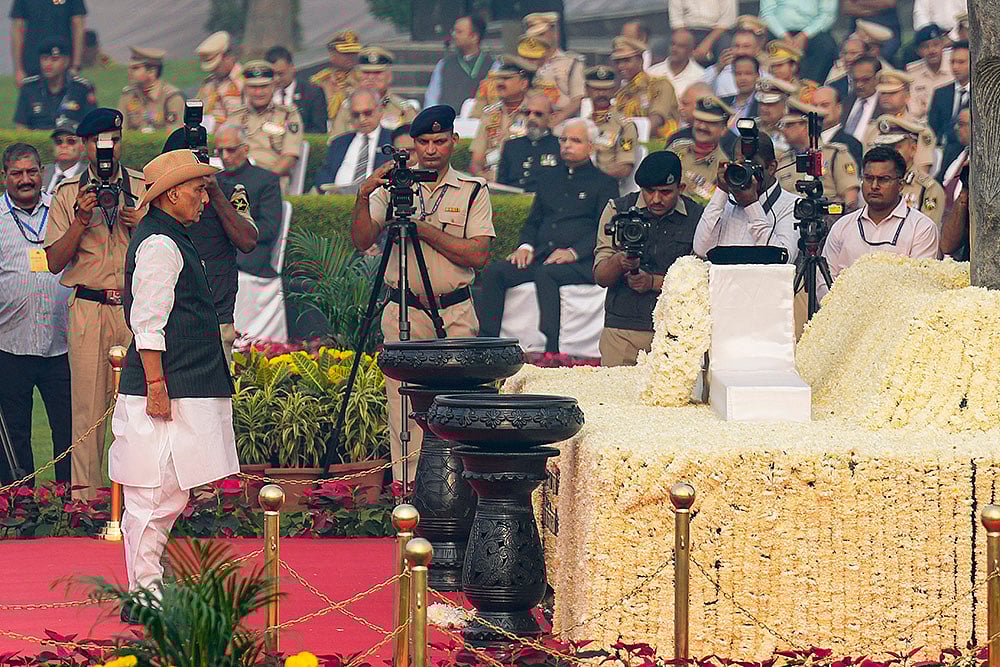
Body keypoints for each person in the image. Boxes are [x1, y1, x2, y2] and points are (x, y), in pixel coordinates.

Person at [110, 149, 237, 624]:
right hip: (167, 387)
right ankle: (143, 597)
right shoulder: (160, 243)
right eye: (200, 188)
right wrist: (158, 385)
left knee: (165, 494)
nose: (205, 197)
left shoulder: (169, 237)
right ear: (173, 193)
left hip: (180, 383)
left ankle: (146, 590)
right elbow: (148, 321)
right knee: (153, 494)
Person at [351, 105, 494, 484]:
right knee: (403, 410)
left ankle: (458, 492)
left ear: (453, 142)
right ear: (413, 144)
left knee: (458, 405)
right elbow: (362, 238)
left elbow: (478, 254)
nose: (431, 150)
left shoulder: (471, 190)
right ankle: (408, 493)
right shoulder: (395, 185)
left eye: (439, 141)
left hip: (455, 311)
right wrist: (364, 195)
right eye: (424, 142)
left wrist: (422, 229)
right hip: (404, 311)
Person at [43, 108, 147, 501]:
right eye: (100, 142)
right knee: (86, 410)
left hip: (134, 309)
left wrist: (142, 225)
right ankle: (84, 502)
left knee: (138, 409)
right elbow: (54, 262)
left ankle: (137, 500)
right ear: (86, 145)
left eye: (115, 141)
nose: (108, 149)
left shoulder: (140, 186)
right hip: (88, 306)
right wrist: (81, 219)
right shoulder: (69, 193)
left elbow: (163, 251)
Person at [477, 118, 619, 352]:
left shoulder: (604, 183)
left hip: (582, 262)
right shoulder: (548, 178)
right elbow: (534, 221)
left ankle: (551, 348)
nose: (566, 145)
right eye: (563, 139)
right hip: (544, 255)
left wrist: (573, 253)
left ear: (591, 147)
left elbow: (604, 228)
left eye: (575, 140)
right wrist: (525, 247)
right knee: (496, 272)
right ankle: (486, 344)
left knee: (547, 273)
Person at [0, 143, 72, 486]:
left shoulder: (61, 209)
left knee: (69, 430)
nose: (25, 179)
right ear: (5, 177)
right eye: (17, 173)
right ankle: (21, 507)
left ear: (42, 172)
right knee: (15, 432)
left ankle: (74, 505)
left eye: (31, 172)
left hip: (62, 343)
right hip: (10, 343)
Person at [593, 151, 704, 366]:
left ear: (680, 189)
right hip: (622, 330)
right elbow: (601, 276)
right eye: (649, 191)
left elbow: (701, 281)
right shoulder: (617, 210)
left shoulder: (697, 217)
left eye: (665, 192)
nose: (656, 199)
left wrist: (653, 282)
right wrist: (619, 261)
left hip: (675, 331)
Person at [162, 125, 259, 364]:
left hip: (216, 317)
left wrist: (214, 192)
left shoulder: (230, 191)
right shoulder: (160, 197)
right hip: (169, 319)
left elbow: (247, 241)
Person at [821, 145, 939, 288]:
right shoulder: (842, 226)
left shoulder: (921, 228)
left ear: (901, 185)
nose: (874, 186)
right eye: (869, 178)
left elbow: (920, 285)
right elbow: (824, 283)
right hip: (841, 308)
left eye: (883, 179)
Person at [693, 129, 799, 262]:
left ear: (771, 167)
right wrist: (721, 190)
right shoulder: (726, 201)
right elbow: (701, 249)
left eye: (751, 164)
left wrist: (752, 206)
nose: (744, 170)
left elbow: (783, 260)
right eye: (739, 163)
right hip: (723, 281)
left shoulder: (792, 205)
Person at [229, 61, 304, 193]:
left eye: (264, 86)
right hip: (237, 179)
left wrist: (262, 179)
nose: (258, 92)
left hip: (272, 179)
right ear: (245, 88)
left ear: (273, 86)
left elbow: (290, 157)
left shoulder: (288, 115)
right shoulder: (235, 116)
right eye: (253, 87)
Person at [776, 99, 860, 209]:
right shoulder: (783, 161)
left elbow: (850, 196)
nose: (783, 130)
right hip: (792, 217)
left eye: (789, 125)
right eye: (783, 125)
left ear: (806, 126)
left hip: (828, 218)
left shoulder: (834, 154)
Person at [869, 116, 947, 228]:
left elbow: (926, 233)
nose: (888, 154)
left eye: (896, 148)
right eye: (884, 148)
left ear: (913, 149)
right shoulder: (872, 184)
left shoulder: (928, 189)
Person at [469, 56, 535, 180]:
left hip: (523, 178)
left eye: (506, 79)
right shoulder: (490, 114)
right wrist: (481, 177)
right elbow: (476, 161)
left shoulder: (534, 113)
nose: (499, 83)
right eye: (498, 79)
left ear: (523, 83)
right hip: (491, 178)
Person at [314, 89, 393, 191]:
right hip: (337, 200)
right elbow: (324, 175)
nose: (362, 119)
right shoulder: (339, 142)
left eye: (367, 113)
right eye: (356, 115)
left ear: (380, 111)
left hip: (377, 199)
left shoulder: (392, 140)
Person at [330, 47, 417, 137]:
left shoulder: (403, 108)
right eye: (366, 72)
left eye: (377, 72)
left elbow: (413, 143)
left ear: (389, 76)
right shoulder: (348, 107)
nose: (371, 77)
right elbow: (336, 143)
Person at [14, 36, 96, 130]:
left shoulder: (82, 88)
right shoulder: (29, 88)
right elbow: (21, 127)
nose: (48, 64)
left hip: (70, 141)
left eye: (54, 59)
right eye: (44, 59)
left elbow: (92, 124)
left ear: (66, 62)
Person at [862, 70, 936, 173]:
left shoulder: (919, 130)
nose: (886, 97)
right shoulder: (872, 128)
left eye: (892, 93)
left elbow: (921, 171)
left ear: (907, 96)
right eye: (883, 93)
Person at [611, 36, 680, 138]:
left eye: (626, 61)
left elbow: (656, 120)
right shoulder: (622, 94)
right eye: (617, 62)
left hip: (660, 145)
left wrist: (629, 133)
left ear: (640, 60)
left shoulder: (659, 85)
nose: (621, 66)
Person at [668, 96, 733, 201]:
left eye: (710, 123)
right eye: (699, 121)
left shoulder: (722, 167)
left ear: (724, 130)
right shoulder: (677, 147)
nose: (702, 127)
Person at [758, 0, 838, 84]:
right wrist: (783, 35)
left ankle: (809, 88)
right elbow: (766, 13)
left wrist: (805, 34)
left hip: (812, 31)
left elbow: (828, 15)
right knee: (761, 42)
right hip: (777, 31)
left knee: (826, 46)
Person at [518, 26, 584, 126]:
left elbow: (577, 99)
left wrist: (554, 122)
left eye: (541, 34)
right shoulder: (525, 67)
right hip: (529, 119)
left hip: (560, 121)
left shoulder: (571, 63)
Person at [585, 65, 640, 186]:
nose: (601, 94)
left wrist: (591, 177)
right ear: (587, 90)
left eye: (606, 89)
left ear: (614, 90)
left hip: (606, 186)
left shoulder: (624, 126)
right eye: (596, 89)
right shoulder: (581, 125)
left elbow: (624, 168)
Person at [425, 15, 493, 111]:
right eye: (454, 31)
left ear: (474, 37)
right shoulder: (444, 64)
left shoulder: (493, 65)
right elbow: (431, 98)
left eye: (459, 32)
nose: (454, 35)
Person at [10, 0, 86, 86]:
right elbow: (17, 29)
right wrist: (76, 65)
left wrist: (18, 69)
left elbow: (78, 25)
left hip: (57, 60)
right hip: (41, 61)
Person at [496, 92, 562, 191]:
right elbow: (500, 186)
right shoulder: (511, 146)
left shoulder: (560, 146)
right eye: (527, 113)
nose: (531, 118)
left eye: (538, 114)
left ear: (551, 117)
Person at [118, 47, 185, 132]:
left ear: (152, 71)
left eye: (135, 68)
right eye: (129, 68)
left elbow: (174, 133)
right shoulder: (128, 95)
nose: (129, 72)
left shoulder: (171, 97)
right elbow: (121, 130)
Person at [266, 46, 329, 135]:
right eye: (272, 74)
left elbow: (319, 129)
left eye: (280, 74)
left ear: (292, 67)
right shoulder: (262, 94)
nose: (276, 79)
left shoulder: (312, 93)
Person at [701, 23, 765, 99]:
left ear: (757, 50)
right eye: (736, 46)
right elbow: (696, 87)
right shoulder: (718, 71)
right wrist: (718, 68)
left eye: (746, 46)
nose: (740, 51)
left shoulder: (766, 78)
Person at [311, 30, 361, 125]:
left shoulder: (363, 80)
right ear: (332, 55)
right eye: (345, 53)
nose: (350, 57)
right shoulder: (320, 80)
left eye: (353, 53)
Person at [906, 25, 954, 122]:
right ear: (918, 51)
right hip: (924, 126)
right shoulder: (912, 73)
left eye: (936, 44)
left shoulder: (954, 64)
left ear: (943, 45)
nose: (932, 50)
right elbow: (914, 112)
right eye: (925, 47)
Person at [667, 0, 738, 65]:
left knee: (726, 47)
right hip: (687, 31)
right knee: (668, 47)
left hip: (717, 32)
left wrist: (706, 45)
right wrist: (685, 43)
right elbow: (677, 21)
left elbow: (727, 20)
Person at [195, 31, 244, 125]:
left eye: (216, 67)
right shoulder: (209, 83)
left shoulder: (244, 82)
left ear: (228, 58)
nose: (213, 71)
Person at [812, 86, 865, 167]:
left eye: (824, 105)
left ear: (838, 108)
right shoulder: (807, 140)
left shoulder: (851, 144)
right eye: (815, 106)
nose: (819, 111)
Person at [927, 41, 970, 144]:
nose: (955, 67)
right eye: (952, 62)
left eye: (961, 62)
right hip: (942, 150)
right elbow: (933, 128)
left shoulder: (982, 94)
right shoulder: (940, 93)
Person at [648, 29, 706, 98]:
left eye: (681, 46)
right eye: (672, 44)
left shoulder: (701, 77)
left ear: (690, 50)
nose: (674, 49)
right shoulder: (652, 72)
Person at [842, 56, 883, 141]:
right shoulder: (844, 102)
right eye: (855, 80)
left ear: (878, 78)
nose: (859, 85)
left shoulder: (885, 105)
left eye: (865, 80)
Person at [44, 119, 87, 195]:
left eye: (71, 141)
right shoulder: (42, 173)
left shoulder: (88, 176)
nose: (64, 146)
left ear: (82, 146)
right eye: (58, 141)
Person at [755, 78, 797, 154]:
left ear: (785, 105)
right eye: (761, 103)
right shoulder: (753, 125)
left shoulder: (792, 129)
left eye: (770, 104)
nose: (763, 108)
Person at [721, 55, 761, 127]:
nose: (743, 78)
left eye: (748, 73)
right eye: (738, 74)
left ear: (757, 75)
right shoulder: (722, 103)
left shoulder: (762, 104)